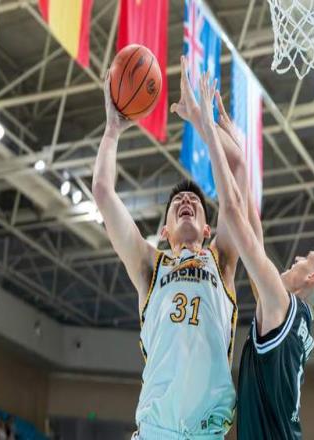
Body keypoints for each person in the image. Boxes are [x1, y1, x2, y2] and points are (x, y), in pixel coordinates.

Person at [92, 56, 257, 440]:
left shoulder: (222, 260)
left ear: (208, 228)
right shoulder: (149, 266)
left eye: (195, 201)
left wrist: (207, 125)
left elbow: (237, 183)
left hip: (206, 432)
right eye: (178, 202)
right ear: (164, 230)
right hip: (156, 431)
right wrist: (112, 130)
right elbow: (102, 192)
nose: (186, 201)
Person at [195, 72, 314, 440]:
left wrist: (206, 128)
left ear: (312, 278)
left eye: (305, 259)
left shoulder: (284, 308)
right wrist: (240, 162)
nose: (296, 259)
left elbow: (233, 215)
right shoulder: (293, 321)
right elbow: (253, 236)